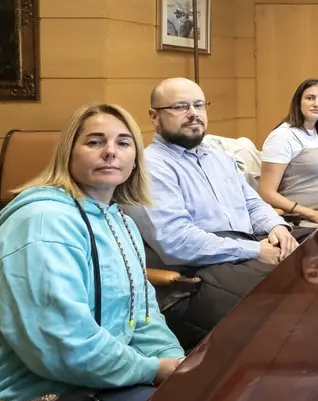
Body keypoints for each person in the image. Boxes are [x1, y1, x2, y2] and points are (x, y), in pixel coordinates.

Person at [0, 103, 184, 401]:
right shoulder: (42, 223)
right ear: (68, 153)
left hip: (95, 383)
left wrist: (175, 363)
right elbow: (62, 343)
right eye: (95, 141)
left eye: (123, 143)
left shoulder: (120, 221)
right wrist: (152, 369)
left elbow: (143, 316)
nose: (111, 152)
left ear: (136, 159)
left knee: (201, 399)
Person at [124, 78, 300, 350]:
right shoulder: (150, 167)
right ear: (154, 117)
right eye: (181, 106)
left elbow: (252, 204)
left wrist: (278, 227)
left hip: (243, 251)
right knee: (288, 302)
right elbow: (179, 243)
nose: (193, 113)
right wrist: (256, 250)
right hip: (193, 278)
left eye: (199, 105)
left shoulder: (218, 156)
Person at [259, 79, 318, 222]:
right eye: (310, 98)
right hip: (306, 222)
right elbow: (266, 193)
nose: (316, 104)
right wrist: (311, 214)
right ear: (298, 102)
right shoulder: (282, 136)